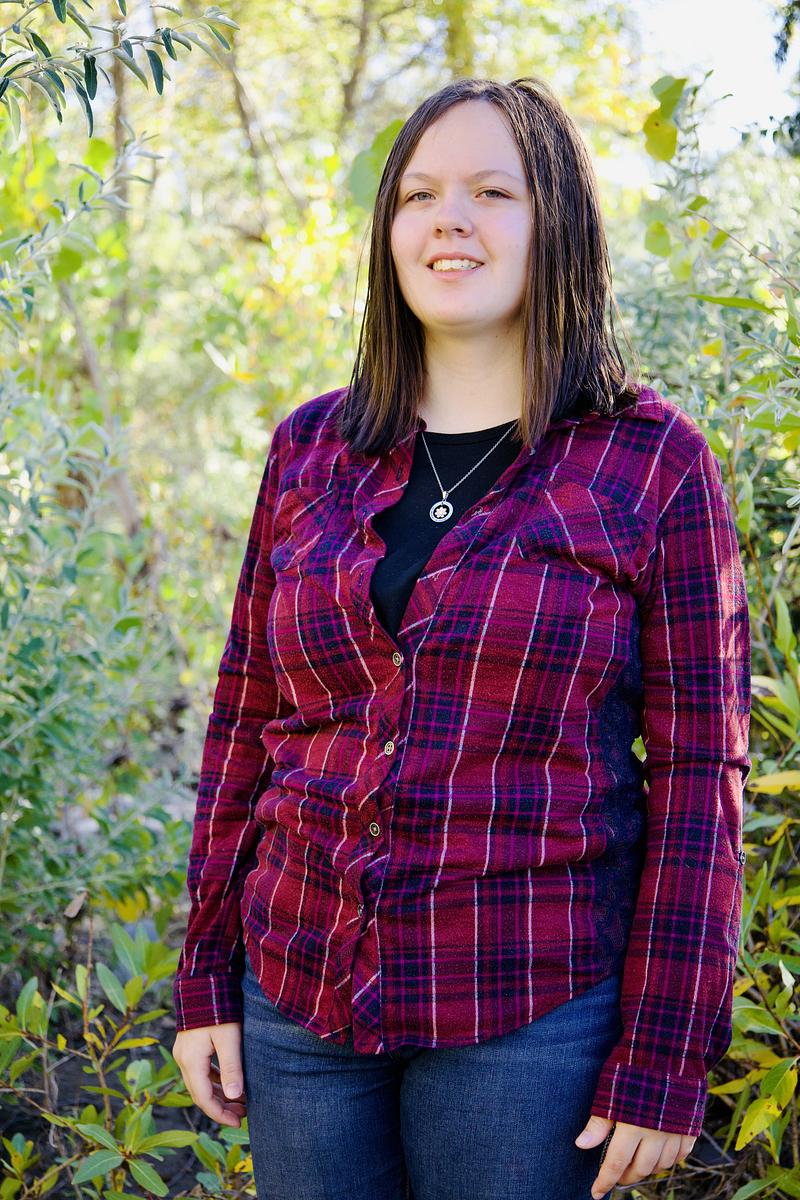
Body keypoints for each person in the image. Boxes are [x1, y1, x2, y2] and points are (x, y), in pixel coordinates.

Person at [170, 75, 751, 1200]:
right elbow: (245, 720)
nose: (451, 221)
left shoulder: (653, 463)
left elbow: (699, 781)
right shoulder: (309, 451)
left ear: (557, 224)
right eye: (420, 195)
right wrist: (205, 976)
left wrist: (666, 1054)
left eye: (494, 192)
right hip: (297, 1001)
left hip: (526, 1016)